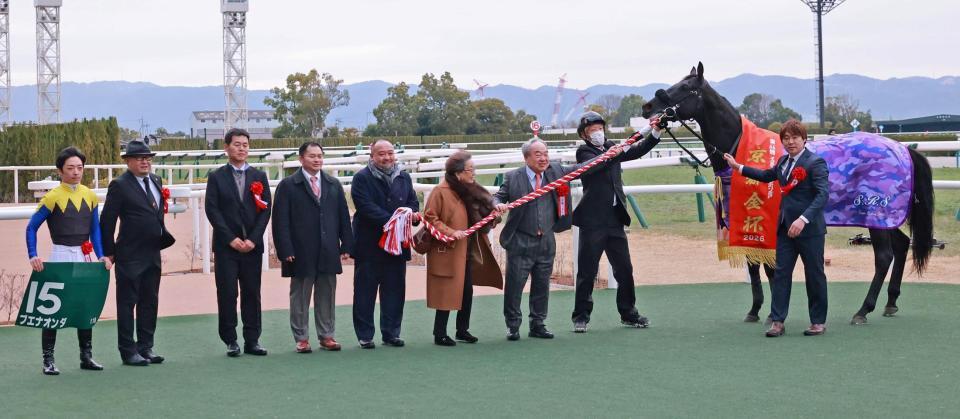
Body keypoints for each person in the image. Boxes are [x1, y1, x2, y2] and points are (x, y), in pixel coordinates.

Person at [723, 119, 830, 337]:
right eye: (786, 138)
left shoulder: (815, 163)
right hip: (784, 229)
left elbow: (822, 195)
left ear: (804, 139)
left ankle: (818, 321)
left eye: (795, 138)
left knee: (815, 275)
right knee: (781, 274)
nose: (790, 142)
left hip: (810, 231)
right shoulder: (783, 162)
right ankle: (778, 321)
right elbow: (765, 176)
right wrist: (738, 167)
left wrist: (803, 219)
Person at [570, 111, 662, 333]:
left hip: (615, 219)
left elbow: (636, 150)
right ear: (585, 134)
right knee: (587, 271)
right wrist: (611, 154)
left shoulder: (611, 147)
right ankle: (581, 316)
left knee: (624, 269)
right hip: (593, 221)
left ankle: (629, 313)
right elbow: (593, 166)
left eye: (599, 128)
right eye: (592, 130)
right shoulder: (584, 152)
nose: (598, 133)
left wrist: (656, 132)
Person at [26, 147, 110, 375]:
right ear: (60, 171)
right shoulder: (52, 197)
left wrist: (101, 255)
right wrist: (33, 254)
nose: (76, 172)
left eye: (79, 168)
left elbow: (95, 231)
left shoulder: (90, 195)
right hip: (61, 254)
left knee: (84, 305)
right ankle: (48, 360)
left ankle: (86, 356)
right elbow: (32, 227)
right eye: (70, 168)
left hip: (85, 255)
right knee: (52, 309)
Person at [272, 142, 353, 353]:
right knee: (300, 295)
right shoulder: (289, 185)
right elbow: (280, 221)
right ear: (301, 159)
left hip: (328, 249)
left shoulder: (333, 184)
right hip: (300, 251)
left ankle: (327, 335)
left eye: (319, 156)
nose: (317, 160)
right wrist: (285, 249)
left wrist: (346, 244)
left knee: (327, 294)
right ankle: (301, 338)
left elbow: (344, 216)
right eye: (312, 156)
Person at [101, 139, 176, 366]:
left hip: (152, 253)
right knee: (127, 303)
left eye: (148, 158)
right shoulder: (120, 185)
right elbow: (107, 221)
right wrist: (109, 252)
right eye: (140, 158)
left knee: (149, 301)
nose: (145, 161)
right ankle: (128, 350)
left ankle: (146, 347)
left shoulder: (155, 180)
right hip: (129, 254)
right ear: (128, 161)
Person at [423, 151, 503, 346]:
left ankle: (462, 329)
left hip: (467, 248)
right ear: (458, 173)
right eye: (470, 170)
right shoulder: (440, 192)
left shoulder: (473, 190)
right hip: (448, 249)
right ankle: (439, 332)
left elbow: (484, 213)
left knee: (466, 290)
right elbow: (430, 218)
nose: (474, 173)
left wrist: (495, 213)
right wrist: (451, 232)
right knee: (447, 290)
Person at [204, 128, 271, 357]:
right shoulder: (216, 177)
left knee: (252, 292)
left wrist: (253, 239)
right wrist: (231, 239)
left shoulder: (259, 176)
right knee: (227, 292)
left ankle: (253, 339)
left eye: (245, 144)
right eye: (237, 144)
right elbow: (212, 210)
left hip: (252, 247)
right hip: (227, 247)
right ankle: (230, 339)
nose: (242, 148)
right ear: (226, 148)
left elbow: (265, 210)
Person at [350, 140, 419, 349]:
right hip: (369, 245)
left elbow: (413, 202)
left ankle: (391, 333)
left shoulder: (403, 177)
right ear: (372, 156)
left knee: (395, 290)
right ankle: (365, 335)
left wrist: (411, 215)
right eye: (381, 154)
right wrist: (394, 220)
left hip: (397, 246)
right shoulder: (361, 178)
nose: (387, 157)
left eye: (390, 153)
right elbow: (365, 206)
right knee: (365, 291)